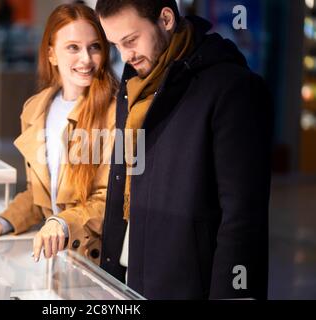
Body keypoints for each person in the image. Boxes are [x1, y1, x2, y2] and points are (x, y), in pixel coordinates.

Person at [95, 0, 272, 299]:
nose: (125, 56)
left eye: (131, 40)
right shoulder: (134, 86)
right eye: (116, 45)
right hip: (131, 277)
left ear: (165, 19)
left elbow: (242, 217)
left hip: (189, 284)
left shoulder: (233, 88)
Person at [0, 3, 118, 265]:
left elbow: (113, 199)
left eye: (94, 46)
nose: (86, 58)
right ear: (51, 54)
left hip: (95, 260)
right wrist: (3, 222)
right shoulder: (35, 109)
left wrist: (61, 223)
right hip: (56, 256)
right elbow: (38, 195)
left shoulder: (116, 111)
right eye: (73, 47)